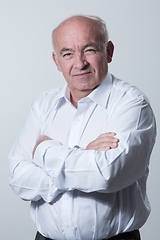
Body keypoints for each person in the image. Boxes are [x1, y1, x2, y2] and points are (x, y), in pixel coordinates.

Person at [8, 15, 156, 240]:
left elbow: (107, 174)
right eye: (67, 54)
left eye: (89, 50)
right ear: (56, 61)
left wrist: (44, 151)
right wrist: (85, 154)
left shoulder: (132, 103)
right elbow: (18, 178)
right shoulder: (43, 105)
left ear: (109, 51)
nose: (79, 63)